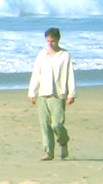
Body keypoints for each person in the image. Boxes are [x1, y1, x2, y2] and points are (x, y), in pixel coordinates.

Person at [28, 27, 76, 161]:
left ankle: (63, 140)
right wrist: (32, 92)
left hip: (58, 95)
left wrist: (71, 94)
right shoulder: (41, 55)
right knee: (45, 125)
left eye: (52, 41)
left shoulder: (64, 55)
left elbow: (70, 75)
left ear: (58, 40)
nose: (50, 43)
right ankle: (49, 152)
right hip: (42, 94)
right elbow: (36, 74)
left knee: (56, 124)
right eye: (48, 41)